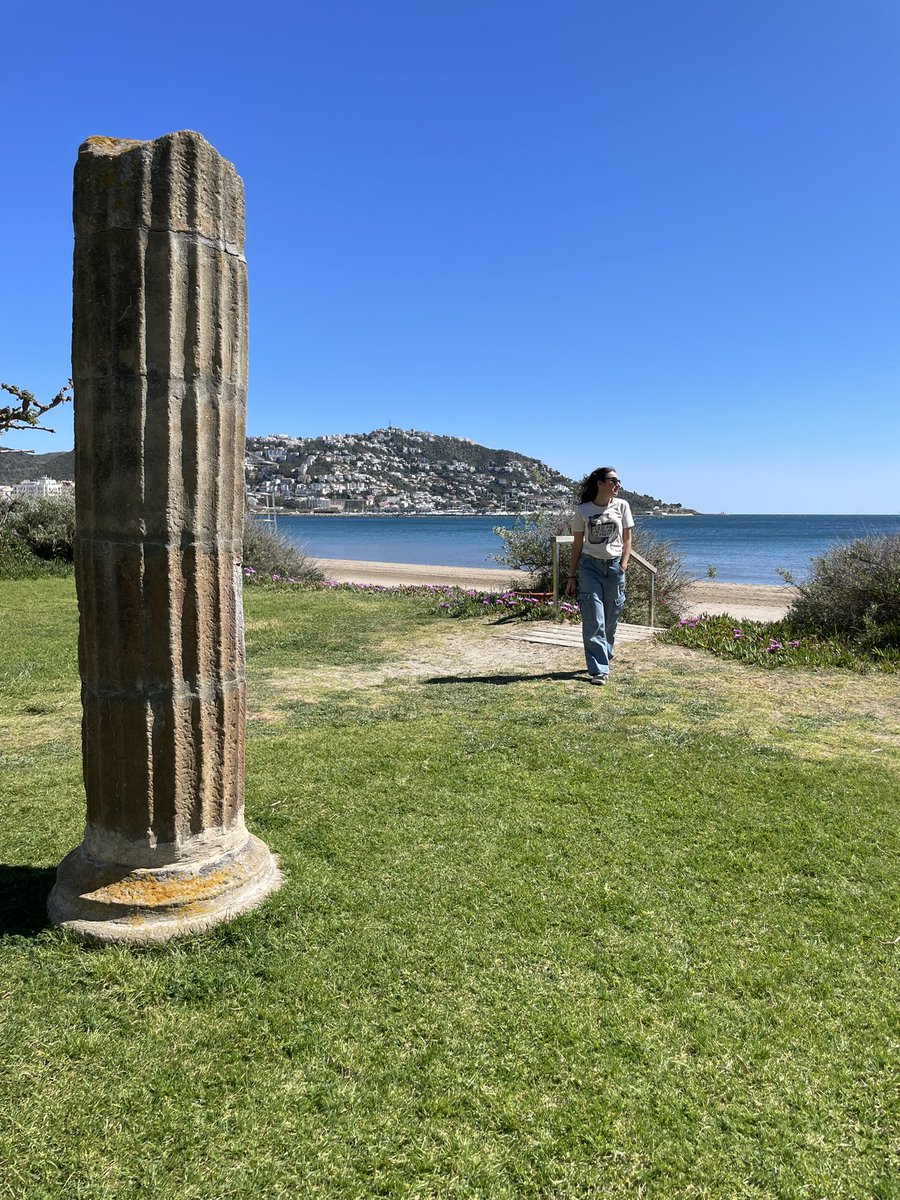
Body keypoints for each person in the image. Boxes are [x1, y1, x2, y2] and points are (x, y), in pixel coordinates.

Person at [564, 467, 633, 685]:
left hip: (614, 568)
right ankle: (599, 670)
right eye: (613, 480)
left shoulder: (622, 506)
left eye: (618, 481)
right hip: (589, 568)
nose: (618, 484)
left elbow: (628, 539)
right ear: (600, 483)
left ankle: (605, 652)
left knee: (612, 617)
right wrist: (571, 575)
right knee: (594, 619)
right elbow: (577, 544)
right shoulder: (583, 510)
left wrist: (623, 564)